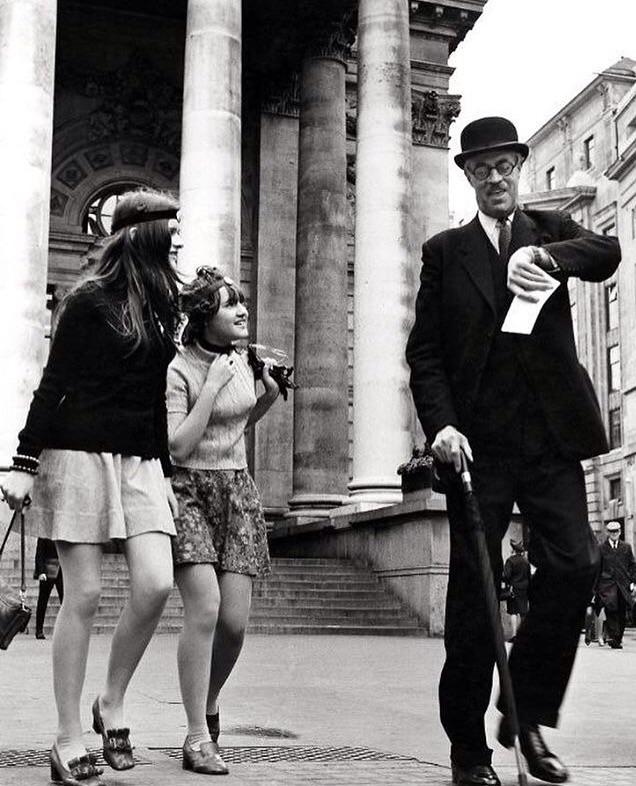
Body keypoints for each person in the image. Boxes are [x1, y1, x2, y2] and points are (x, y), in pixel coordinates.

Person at [406, 116, 621, 786]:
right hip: (479, 447)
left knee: (576, 566)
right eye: (482, 169)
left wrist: (548, 261)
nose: (495, 178)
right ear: (467, 176)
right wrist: (440, 426)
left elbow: (608, 251)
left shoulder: (551, 231)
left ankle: (523, 712)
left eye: (505, 166)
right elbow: (426, 355)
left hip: (551, 439)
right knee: (473, 598)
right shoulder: (445, 252)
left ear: (519, 170)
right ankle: (469, 749)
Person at [0, 188, 182, 786]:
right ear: (140, 234)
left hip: (140, 461)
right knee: (82, 595)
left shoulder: (164, 305)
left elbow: (154, 398)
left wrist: (167, 475)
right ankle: (66, 736)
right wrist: (25, 459)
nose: (178, 239)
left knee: (155, 584)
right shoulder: (86, 301)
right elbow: (54, 382)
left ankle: (112, 701)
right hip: (77, 454)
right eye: (169, 230)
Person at [166, 266, 279, 775]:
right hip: (188, 490)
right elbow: (179, 445)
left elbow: (235, 424)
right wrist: (210, 385)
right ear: (203, 316)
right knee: (205, 610)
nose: (242, 310)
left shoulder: (241, 362)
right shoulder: (180, 369)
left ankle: (209, 703)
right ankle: (195, 736)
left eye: (242, 302)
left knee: (233, 624)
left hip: (237, 491)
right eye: (230, 304)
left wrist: (268, 397)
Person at [595, 520, 636, 649]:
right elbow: (597, 568)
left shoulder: (626, 547)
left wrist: (633, 582)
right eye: (611, 531)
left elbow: (633, 565)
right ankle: (614, 638)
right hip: (607, 586)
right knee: (611, 610)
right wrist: (596, 587)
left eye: (616, 531)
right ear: (607, 532)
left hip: (623, 585)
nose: (614, 534)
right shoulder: (601, 548)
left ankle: (617, 638)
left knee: (622, 612)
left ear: (620, 532)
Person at [33, 537, 64, 639]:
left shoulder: (64, 531)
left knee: (65, 601)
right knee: (42, 601)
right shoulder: (44, 535)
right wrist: (41, 572)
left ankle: (66, 630)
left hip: (62, 571)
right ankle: (39, 630)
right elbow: (40, 554)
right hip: (48, 570)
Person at [502, 539, 531, 640]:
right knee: (523, 612)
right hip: (524, 589)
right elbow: (529, 576)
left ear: (513, 550)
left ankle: (514, 635)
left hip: (514, 589)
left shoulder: (510, 561)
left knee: (513, 612)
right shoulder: (526, 561)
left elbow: (506, 576)